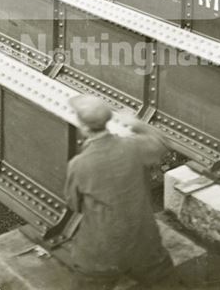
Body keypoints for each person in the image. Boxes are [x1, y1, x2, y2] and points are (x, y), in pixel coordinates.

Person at [63, 95, 175, 289]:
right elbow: (162, 143)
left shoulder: (79, 164)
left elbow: (75, 204)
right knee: (164, 281)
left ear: (83, 127)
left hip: (102, 253)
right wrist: (136, 124)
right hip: (144, 244)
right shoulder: (133, 146)